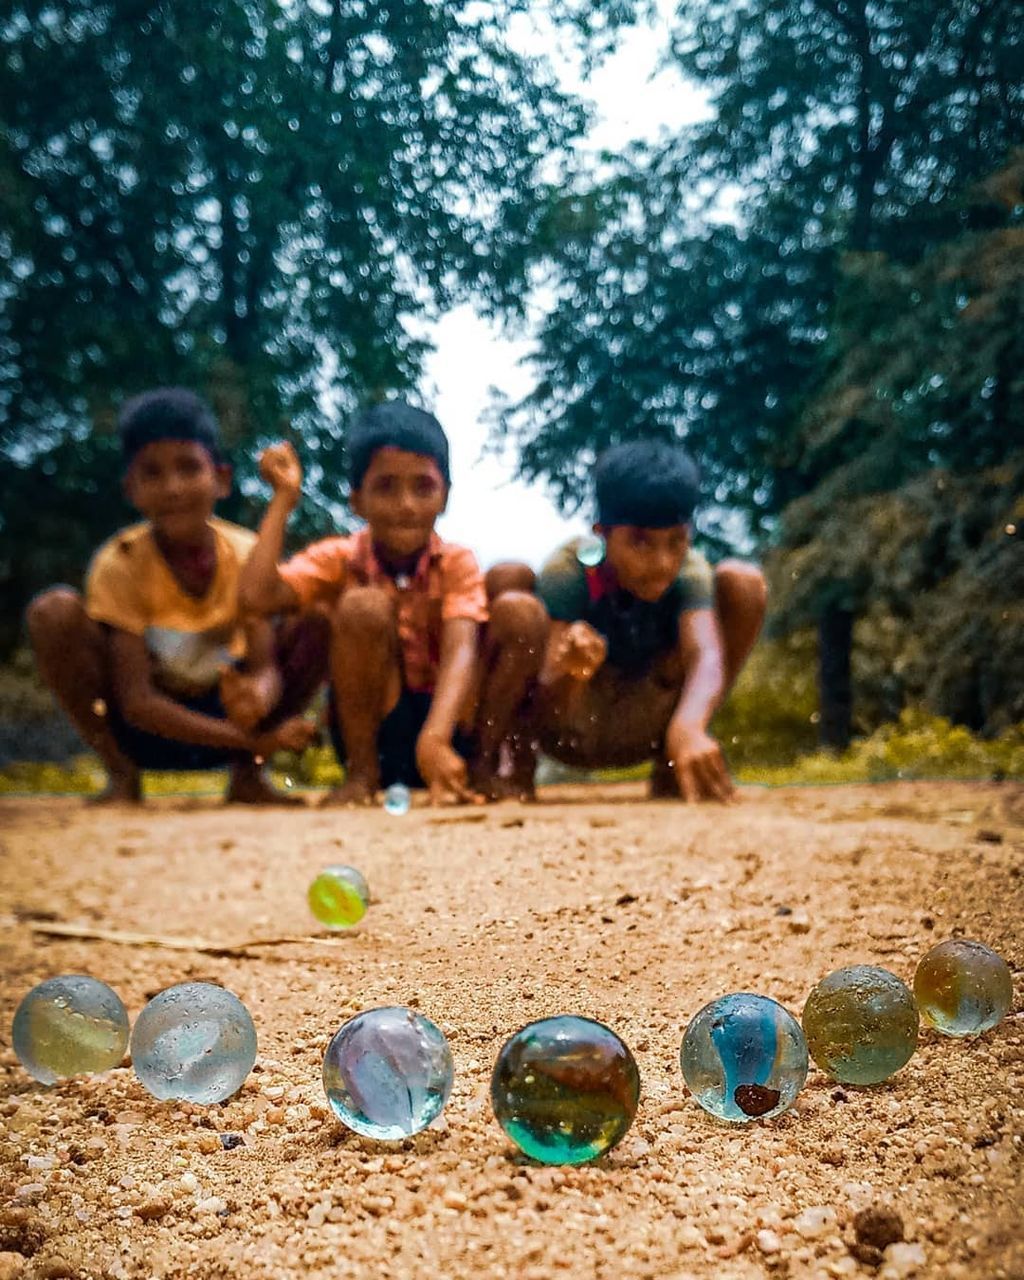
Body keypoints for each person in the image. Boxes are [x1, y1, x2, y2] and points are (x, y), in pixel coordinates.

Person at [239, 400, 543, 805]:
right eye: (386, 487)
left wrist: (435, 739)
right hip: (379, 733)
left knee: (523, 612)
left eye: (423, 487)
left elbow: (461, 648)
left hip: (450, 733)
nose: (406, 505)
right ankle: (362, 776)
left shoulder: (456, 562)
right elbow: (257, 597)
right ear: (357, 501)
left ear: (446, 497)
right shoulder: (340, 557)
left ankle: (482, 769)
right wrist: (282, 501)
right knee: (362, 606)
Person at [26, 388, 320, 804]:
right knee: (52, 612)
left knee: (318, 613)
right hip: (148, 730)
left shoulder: (247, 553)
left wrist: (259, 696)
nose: (173, 488)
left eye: (188, 468)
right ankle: (120, 771)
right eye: (153, 473)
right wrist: (250, 739)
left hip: (232, 718)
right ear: (131, 488)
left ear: (220, 479)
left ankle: (248, 779)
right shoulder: (120, 563)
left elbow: (265, 665)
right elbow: (137, 702)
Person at [496, 439, 767, 802]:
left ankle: (674, 764)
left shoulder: (690, 572)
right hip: (572, 726)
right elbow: (545, 697)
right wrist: (570, 671)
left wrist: (688, 727)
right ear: (602, 535)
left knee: (744, 583)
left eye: (676, 542)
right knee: (511, 588)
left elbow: (705, 655)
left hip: (649, 723)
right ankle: (514, 765)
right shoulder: (570, 571)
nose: (662, 562)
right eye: (641, 543)